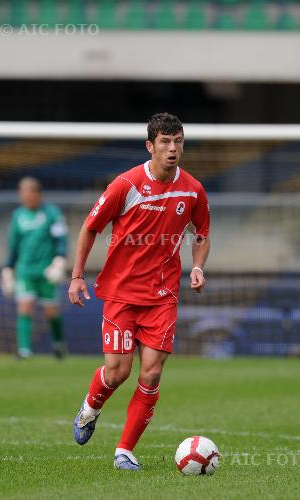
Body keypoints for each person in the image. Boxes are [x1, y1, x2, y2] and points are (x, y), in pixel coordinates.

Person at [68, 113, 210, 470]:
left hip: (162, 296)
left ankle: (125, 450)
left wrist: (197, 266)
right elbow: (90, 228)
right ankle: (91, 407)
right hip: (121, 293)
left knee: (151, 373)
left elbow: (202, 232)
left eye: (178, 141)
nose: (172, 148)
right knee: (117, 372)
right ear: (150, 146)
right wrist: (77, 275)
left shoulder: (192, 189)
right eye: (165, 141)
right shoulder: (126, 184)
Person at [0, 177, 68, 359]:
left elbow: (61, 239)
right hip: (25, 271)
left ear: (38, 194)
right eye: (22, 193)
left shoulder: (52, 213)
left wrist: (59, 260)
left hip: (47, 271)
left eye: (28, 192)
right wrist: (8, 268)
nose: (25, 197)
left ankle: (58, 344)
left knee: (51, 311)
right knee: (24, 307)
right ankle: (24, 351)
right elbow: (13, 245)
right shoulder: (18, 216)